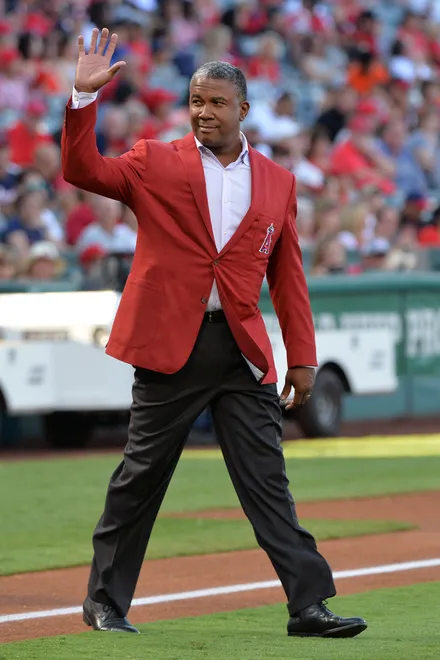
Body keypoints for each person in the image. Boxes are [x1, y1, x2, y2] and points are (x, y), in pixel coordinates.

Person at [62, 27, 367, 639]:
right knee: (141, 479)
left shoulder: (279, 181)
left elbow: (290, 277)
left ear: (243, 110)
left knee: (268, 483)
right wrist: (81, 100)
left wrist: (302, 359)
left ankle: (308, 606)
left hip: (242, 350)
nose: (204, 111)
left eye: (217, 102)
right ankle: (103, 603)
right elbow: (83, 169)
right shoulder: (153, 160)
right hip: (170, 347)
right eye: (196, 100)